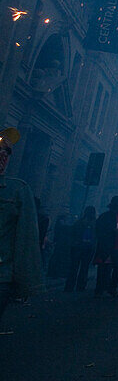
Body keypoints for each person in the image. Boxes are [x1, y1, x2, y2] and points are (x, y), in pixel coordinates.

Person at [0, 127, 43, 333]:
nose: (3, 156)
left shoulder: (17, 191)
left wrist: (26, 283)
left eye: (7, 152)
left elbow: (26, 240)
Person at [93, 196, 118, 297]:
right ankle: (99, 289)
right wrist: (112, 231)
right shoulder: (105, 216)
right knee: (103, 268)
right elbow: (99, 230)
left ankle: (112, 287)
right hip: (107, 246)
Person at [64, 206, 97, 292]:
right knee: (82, 268)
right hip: (83, 247)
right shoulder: (93, 224)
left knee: (76, 267)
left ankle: (71, 286)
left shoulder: (79, 222)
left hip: (80, 247)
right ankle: (79, 286)